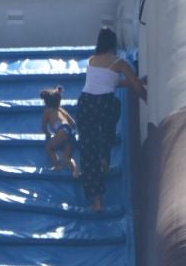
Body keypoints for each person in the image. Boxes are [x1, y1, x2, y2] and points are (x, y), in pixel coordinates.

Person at [73, 27, 147, 212]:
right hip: (105, 103)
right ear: (113, 44)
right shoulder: (119, 62)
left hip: (86, 103)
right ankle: (104, 158)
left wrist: (135, 82)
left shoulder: (92, 60)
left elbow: (107, 81)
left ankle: (97, 200)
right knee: (107, 131)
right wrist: (146, 97)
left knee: (88, 149)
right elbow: (135, 88)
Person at [40, 87, 79, 178]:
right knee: (67, 158)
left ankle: (57, 165)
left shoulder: (47, 111)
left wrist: (47, 133)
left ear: (46, 102)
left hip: (62, 131)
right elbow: (73, 123)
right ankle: (75, 169)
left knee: (49, 148)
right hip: (70, 131)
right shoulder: (61, 110)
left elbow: (44, 126)